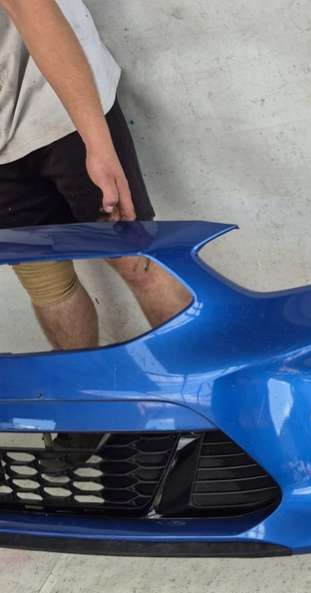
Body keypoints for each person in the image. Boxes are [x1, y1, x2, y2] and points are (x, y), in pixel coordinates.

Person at [0, 0, 190, 351]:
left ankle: (204, 378)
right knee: (46, 284)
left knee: (136, 260)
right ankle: (83, 384)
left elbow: (29, 6)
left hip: (58, 98)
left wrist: (97, 143)